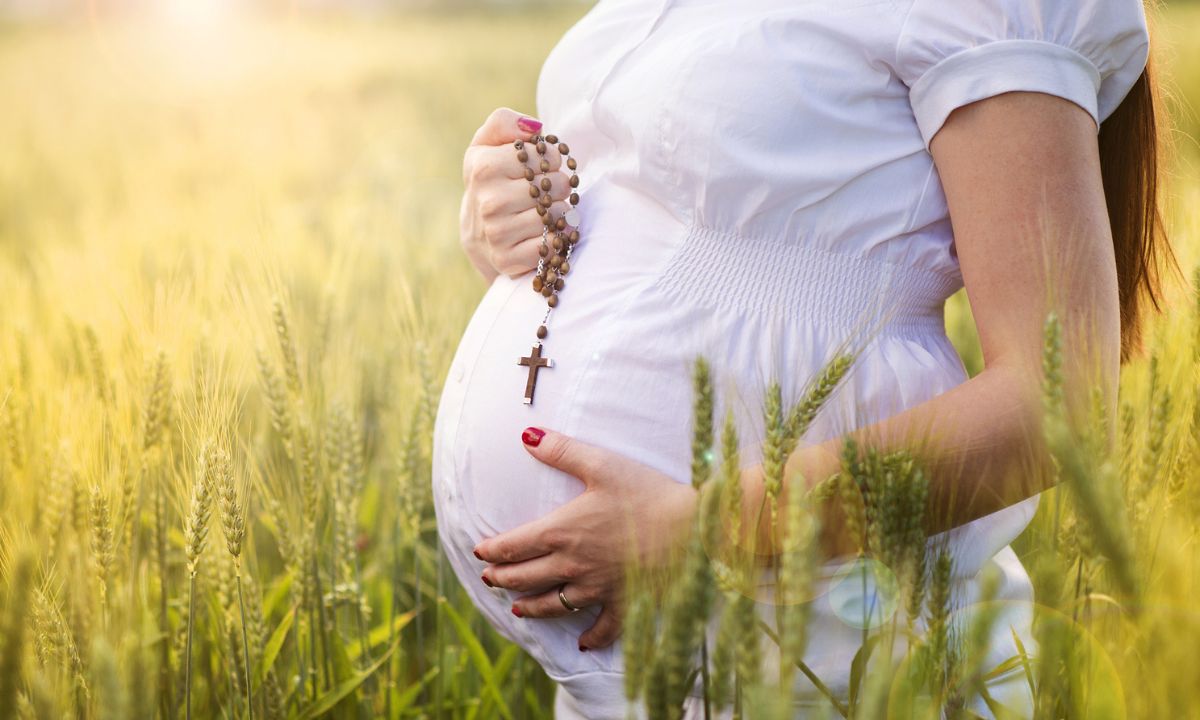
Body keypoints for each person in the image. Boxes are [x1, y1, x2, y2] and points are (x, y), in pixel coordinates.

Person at [434, 0, 1172, 716]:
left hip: (824, 663)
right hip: (621, 686)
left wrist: (695, 531)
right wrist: (506, 214)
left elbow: (1055, 408)